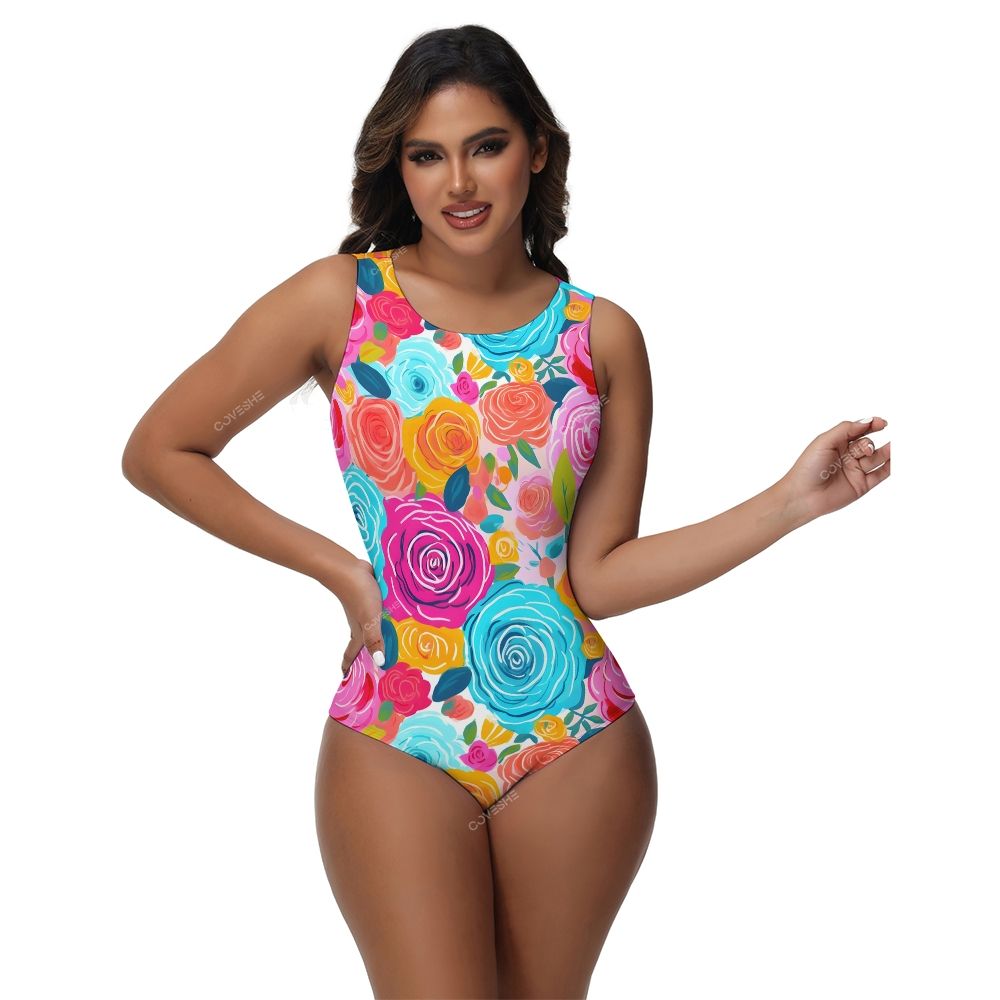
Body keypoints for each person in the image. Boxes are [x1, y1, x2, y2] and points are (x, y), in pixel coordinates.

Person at [122, 23, 890, 1000]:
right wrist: (342, 571)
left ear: (535, 148)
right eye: (426, 155)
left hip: (578, 735)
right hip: (396, 726)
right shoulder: (340, 301)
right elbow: (163, 449)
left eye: (485, 145)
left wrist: (789, 503)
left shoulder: (601, 337)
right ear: (397, 167)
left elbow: (598, 575)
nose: (458, 182)